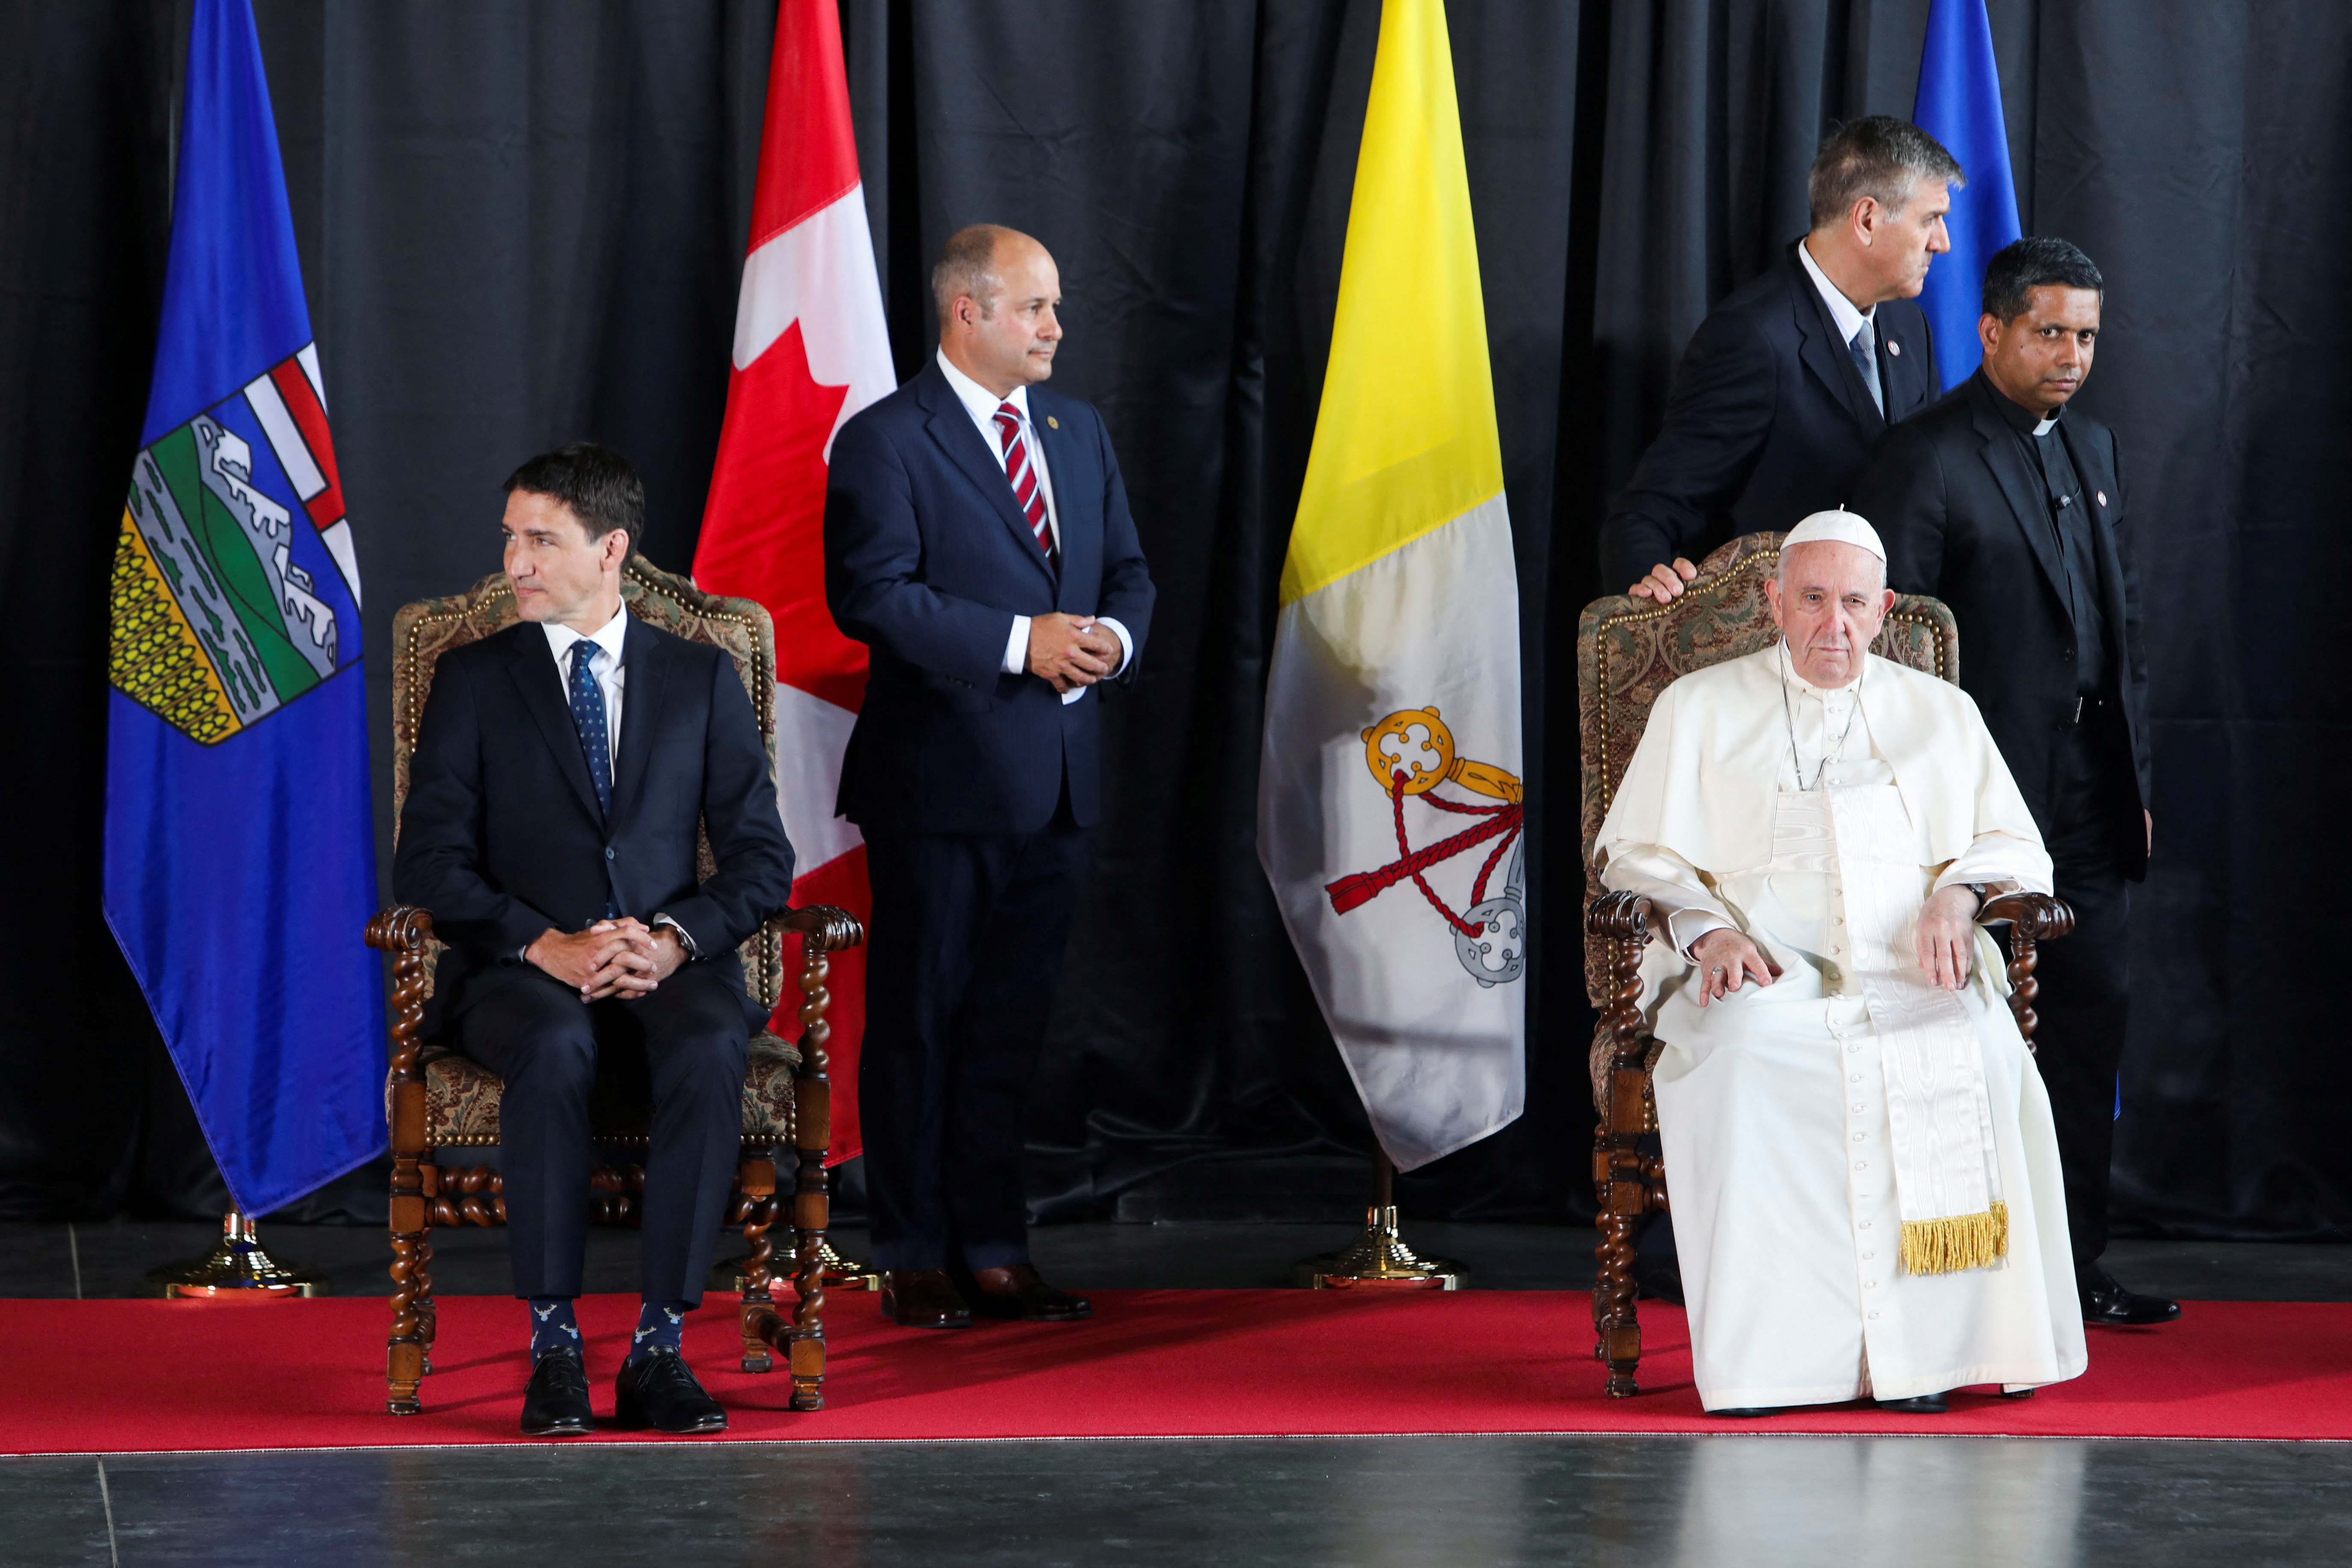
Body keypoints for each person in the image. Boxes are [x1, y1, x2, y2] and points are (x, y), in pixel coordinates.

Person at [1595, 511, 2087, 1415]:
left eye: (1853, 603)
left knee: (1975, 1049)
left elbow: (2011, 842)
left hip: (1909, 972)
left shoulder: (1941, 713)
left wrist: (1958, 896)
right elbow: (1634, 857)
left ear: (1884, 609)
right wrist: (1708, 930)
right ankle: (1773, 1367)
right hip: (1757, 973)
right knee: (1746, 1058)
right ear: (1772, 601)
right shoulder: (1696, 707)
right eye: (1812, 599)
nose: (1833, 624)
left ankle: (1928, 1359)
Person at [394, 443, 797, 1436]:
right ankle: (554, 1345)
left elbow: (760, 859)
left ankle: (660, 1345)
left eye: (540, 539)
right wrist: (541, 942)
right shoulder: (473, 677)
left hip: (667, 961)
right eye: (510, 537)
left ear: (610, 547)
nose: (514, 561)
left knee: (710, 1044)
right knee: (557, 1042)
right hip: (514, 970)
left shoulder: (701, 677)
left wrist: (673, 937)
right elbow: (429, 866)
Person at [824, 224, 1155, 1330]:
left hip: (1056, 781)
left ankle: (997, 1245)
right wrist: (1024, 641)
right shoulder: (886, 440)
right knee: (922, 1019)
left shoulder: (1077, 428)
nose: (1057, 328)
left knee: (1011, 1026)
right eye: (1036, 308)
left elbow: (1126, 575)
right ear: (967, 312)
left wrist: (1110, 637)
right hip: (941, 782)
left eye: (1055, 308)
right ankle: (913, 1249)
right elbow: (871, 594)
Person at [1853, 236, 2172, 1328]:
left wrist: (2130, 775)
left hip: (2088, 790)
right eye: (2048, 331)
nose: (2071, 354)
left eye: (2084, 334)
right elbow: (1892, 660)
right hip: (1974, 807)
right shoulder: (1921, 456)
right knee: (1958, 1038)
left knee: (2089, 1030)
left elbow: (2119, 628)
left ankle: (2074, 1267)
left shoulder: (2093, 446)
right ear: (1989, 331)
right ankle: (1956, 1285)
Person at [1600, 117, 1959, 605]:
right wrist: (1649, 591)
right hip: (1777, 654)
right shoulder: (1752, 339)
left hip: (1882, 650)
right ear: (1868, 219)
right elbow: (1650, 509)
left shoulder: (1908, 329)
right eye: (1929, 219)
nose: (1942, 242)